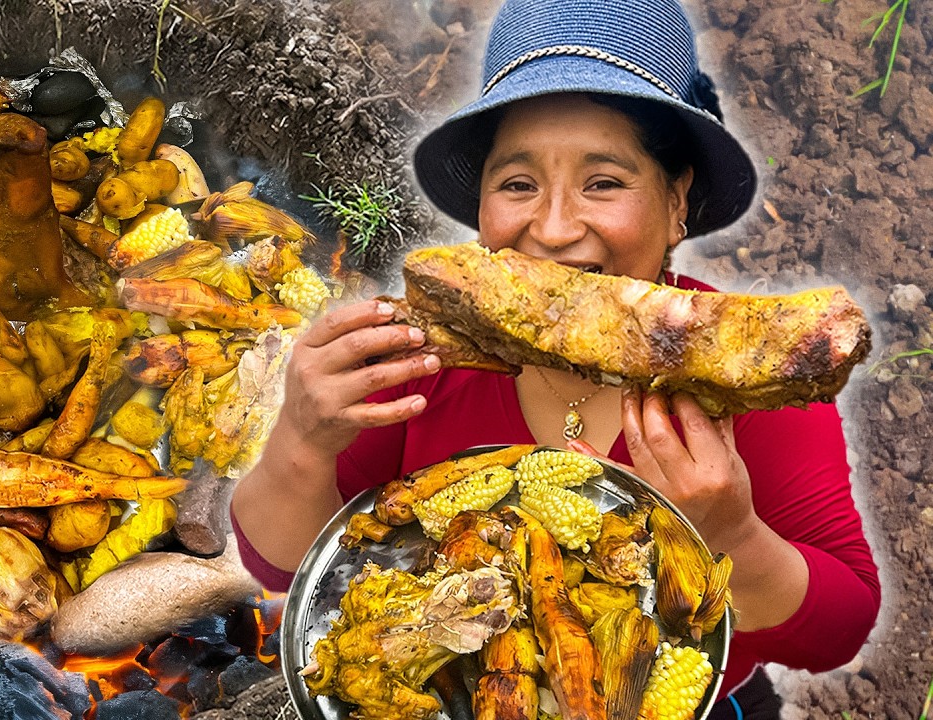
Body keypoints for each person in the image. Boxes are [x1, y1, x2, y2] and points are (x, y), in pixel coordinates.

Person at [230, 0, 881, 717]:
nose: (554, 227)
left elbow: (839, 630)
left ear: (676, 202)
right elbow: (290, 566)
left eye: (603, 182)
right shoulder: (421, 360)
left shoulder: (748, 370)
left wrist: (733, 536)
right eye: (517, 184)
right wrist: (301, 438)